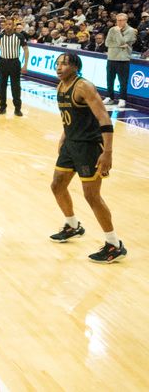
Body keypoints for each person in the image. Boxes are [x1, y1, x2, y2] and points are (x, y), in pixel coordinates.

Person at [49, 53, 126, 263]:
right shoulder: (61, 86)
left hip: (89, 147)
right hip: (71, 144)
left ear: (75, 67)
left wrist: (107, 152)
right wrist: (64, 136)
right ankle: (73, 225)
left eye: (64, 64)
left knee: (92, 195)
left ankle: (114, 244)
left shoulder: (83, 87)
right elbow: (72, 118)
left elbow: (104, 118)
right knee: (57, 185)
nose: (59, 67)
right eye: (57, 64)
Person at [0, 18, 29, 116]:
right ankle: (2, 107)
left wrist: (25, 65)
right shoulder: (0, 37)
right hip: (3, 63)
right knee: (2, 86)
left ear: (13, 26)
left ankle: (17, 108)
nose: (8, 26)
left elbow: (26, 50)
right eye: (6, 24)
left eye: (10, 24)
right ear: (4, 25)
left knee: (16, 87)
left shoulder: (19, 36)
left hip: (14, 63)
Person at [103, 13, 136, 108]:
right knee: (109, 79)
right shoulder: (112, 29)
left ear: (126, 20)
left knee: (122, 81)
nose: (119, 22)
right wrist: (119, 45)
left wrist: (118, 34)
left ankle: (122, 99)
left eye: (121, 20)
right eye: (117, 20)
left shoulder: (131, 31)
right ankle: (109, 97)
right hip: (111, 57)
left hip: (123, 59)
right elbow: (107, 43)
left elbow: (123, 41)